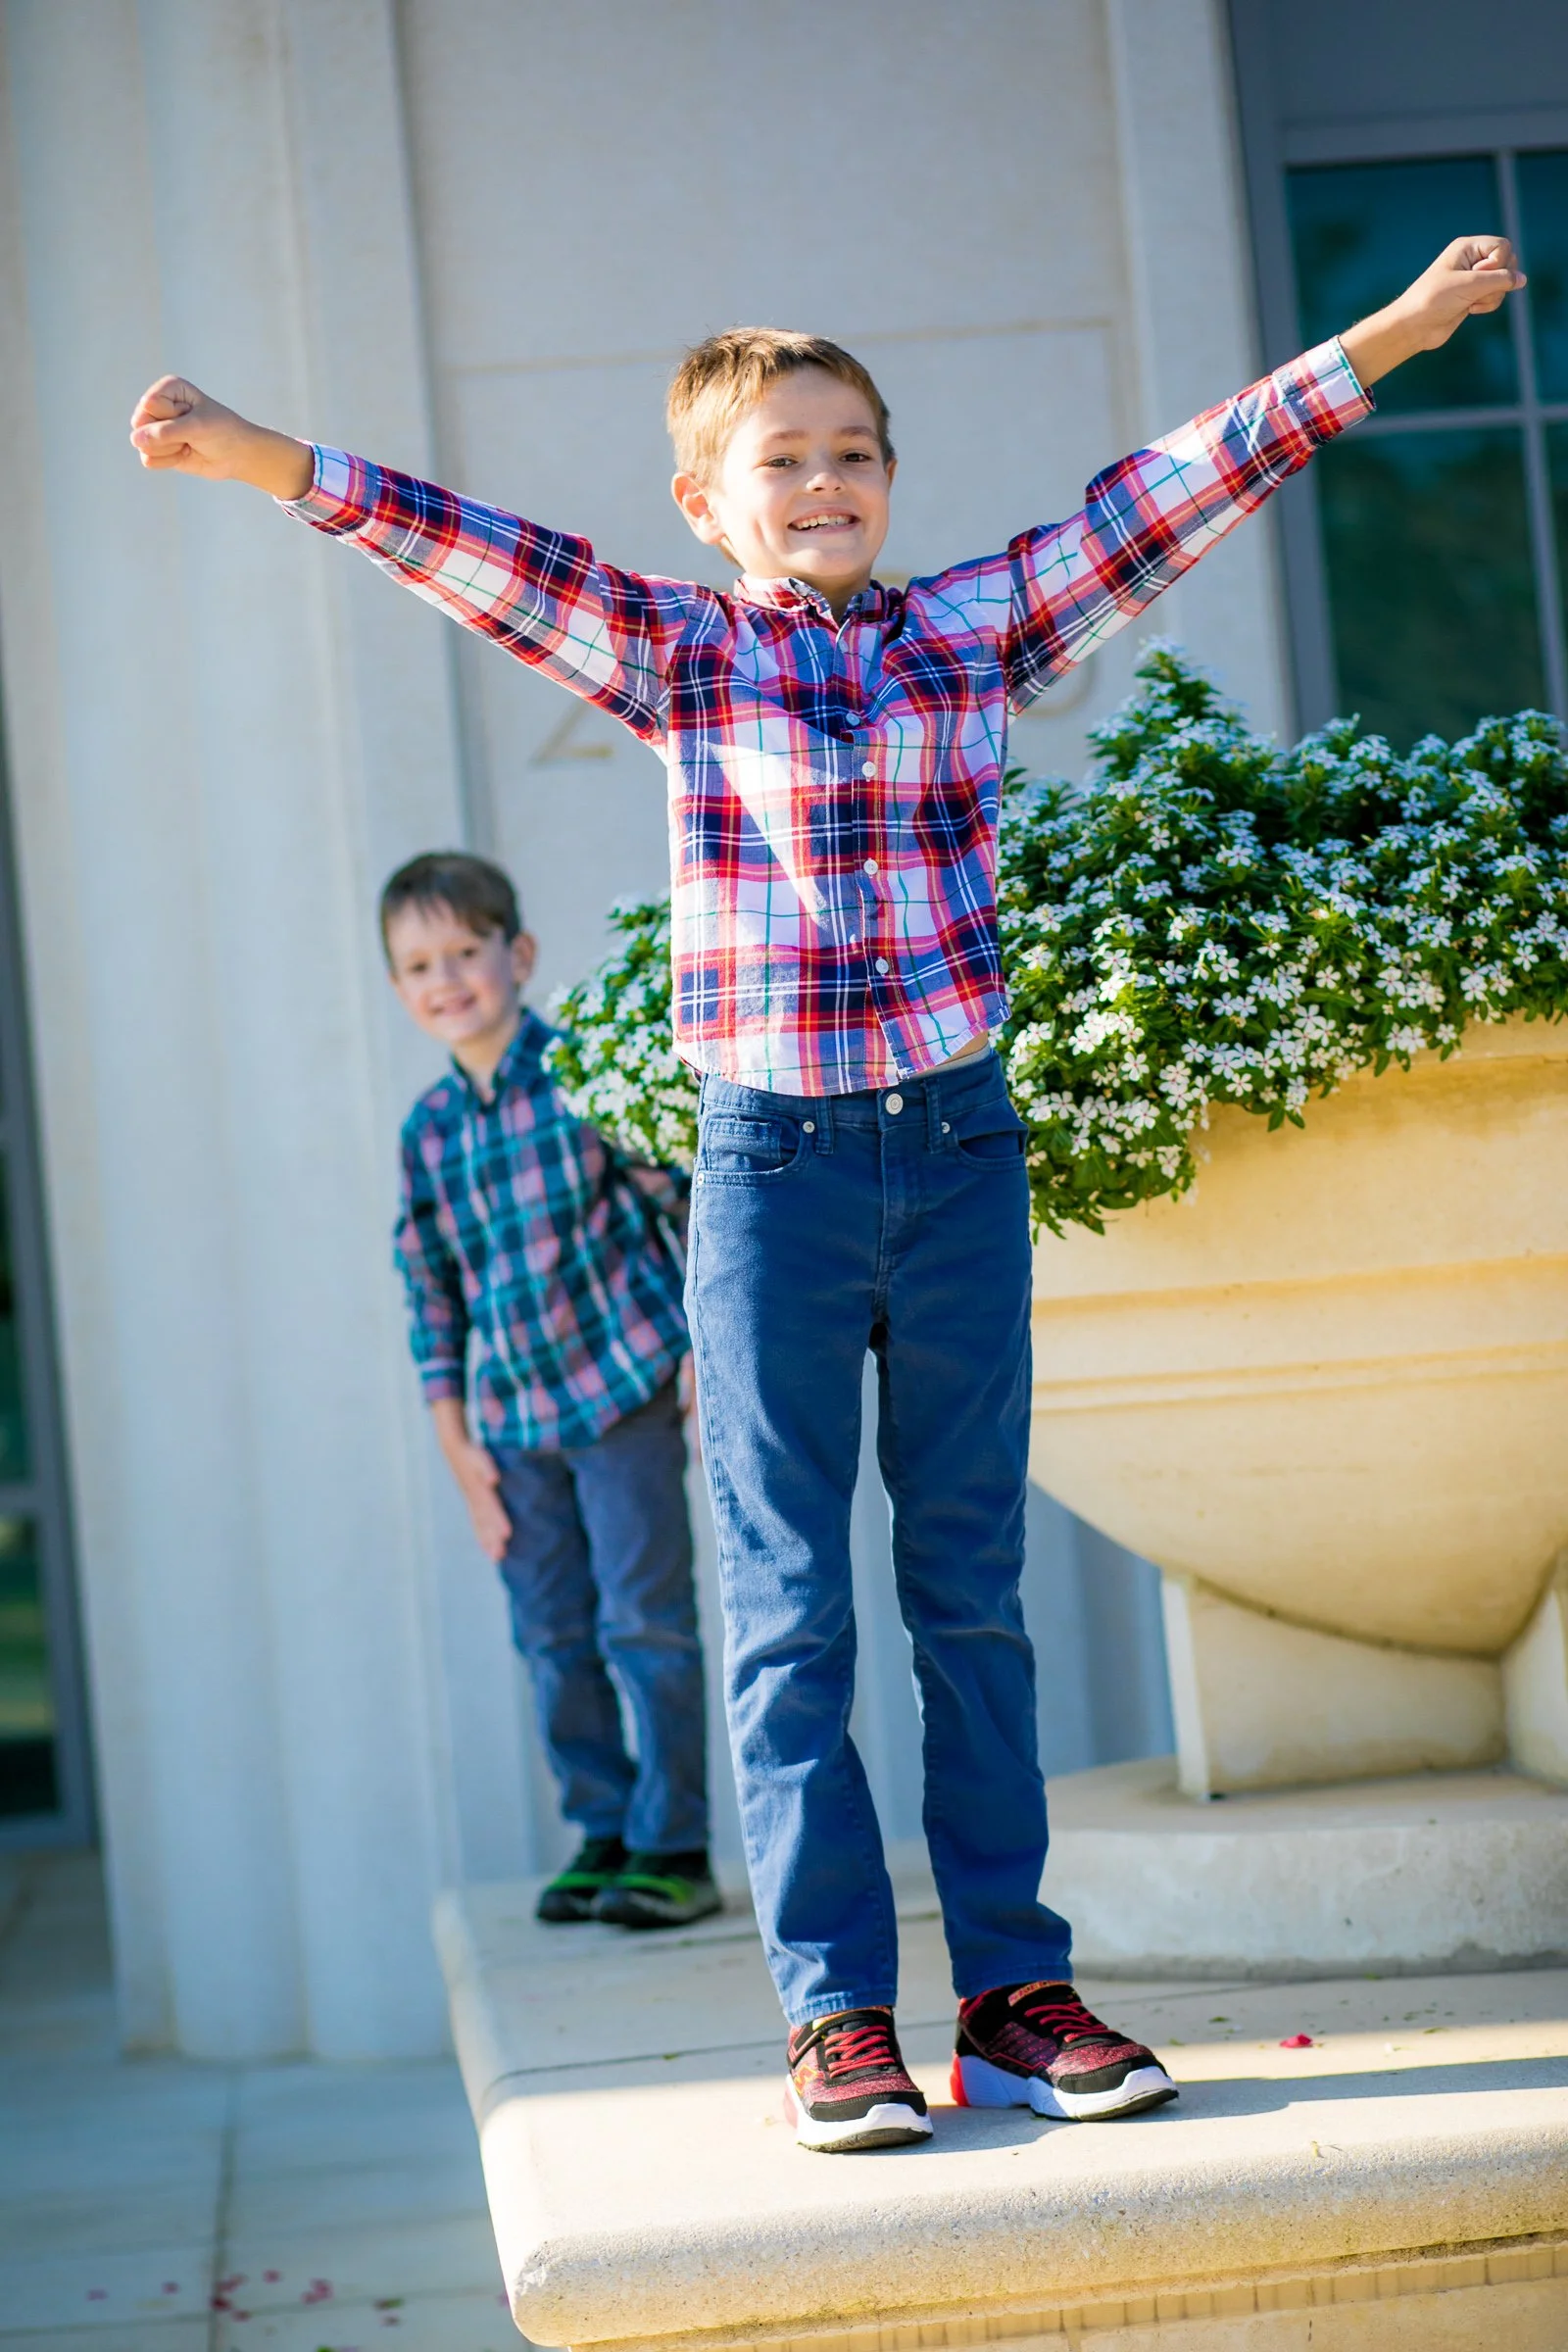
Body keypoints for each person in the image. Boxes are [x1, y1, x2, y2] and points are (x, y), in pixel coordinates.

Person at [130, 229, 1524, 2150]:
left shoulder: (973, 632)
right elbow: (463, 546)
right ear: (706, 503)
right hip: (771, 1172)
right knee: (788, 1606)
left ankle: (1015, 1999)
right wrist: (252, 451)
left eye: (852, 448)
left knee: (969, 1588)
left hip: (952, 1155)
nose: (825, 482)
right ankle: (834, 2020)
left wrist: (1394, 327)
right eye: (780, 458)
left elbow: (1180, 485)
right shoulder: (679, 653)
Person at [380, 848, 717, 1932]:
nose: (446, 981)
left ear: (516, 956)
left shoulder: (586, 1075)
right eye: (419, 964)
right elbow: (428, 1287)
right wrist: (454, 1442)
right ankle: (604, 1828)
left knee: (645, 1625)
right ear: (400, 989)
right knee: (552, 1639)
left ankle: (674, 1846)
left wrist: (703, 1352)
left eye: (465, 953)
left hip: (621, 1397)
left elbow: (687, 1203)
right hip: (512, 1427)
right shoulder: (428, 1135)